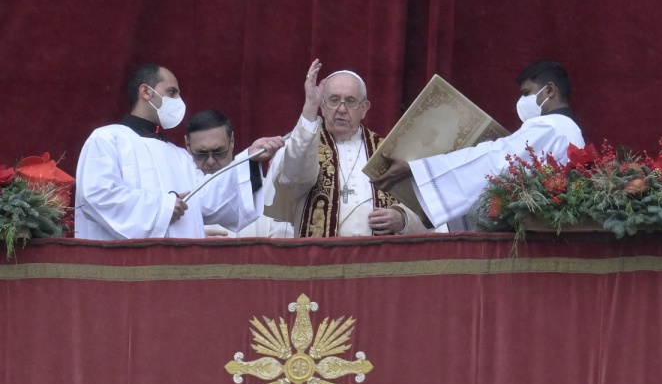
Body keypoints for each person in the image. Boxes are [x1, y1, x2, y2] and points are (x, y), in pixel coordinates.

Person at [75, 64, 285, 240]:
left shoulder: (179, 156)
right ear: (146, 92)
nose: (178, 100)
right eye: (172, 92)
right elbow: (97, 196)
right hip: (123, 273)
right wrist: (163, 208)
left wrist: (250, 158)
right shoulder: (107, 138)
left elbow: (209, 201)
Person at [373, 60, 585, 230]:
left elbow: (497, 162)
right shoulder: (567, 129)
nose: (521, 101)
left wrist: (418, 169)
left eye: (526, 93)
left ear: (549, 90)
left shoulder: (549, 127)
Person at [264, 60, 430, 237]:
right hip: (320, 259)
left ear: (364, 109)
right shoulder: (303, 146)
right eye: (334, 100)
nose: (341, 109)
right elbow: (294, 177)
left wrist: (402, 219)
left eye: (350, 101)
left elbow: (425, 212)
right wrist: (309, 108)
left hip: (378, 260)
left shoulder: (388, 151)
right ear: (322, 106)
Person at [185, 109, 294, 238]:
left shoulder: (266, 191)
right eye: (201, 154)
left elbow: (284, 246)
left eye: (218, 151)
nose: (210, 161)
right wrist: (192, 239)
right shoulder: (180, 197)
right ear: (187, 145)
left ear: (232, 141)